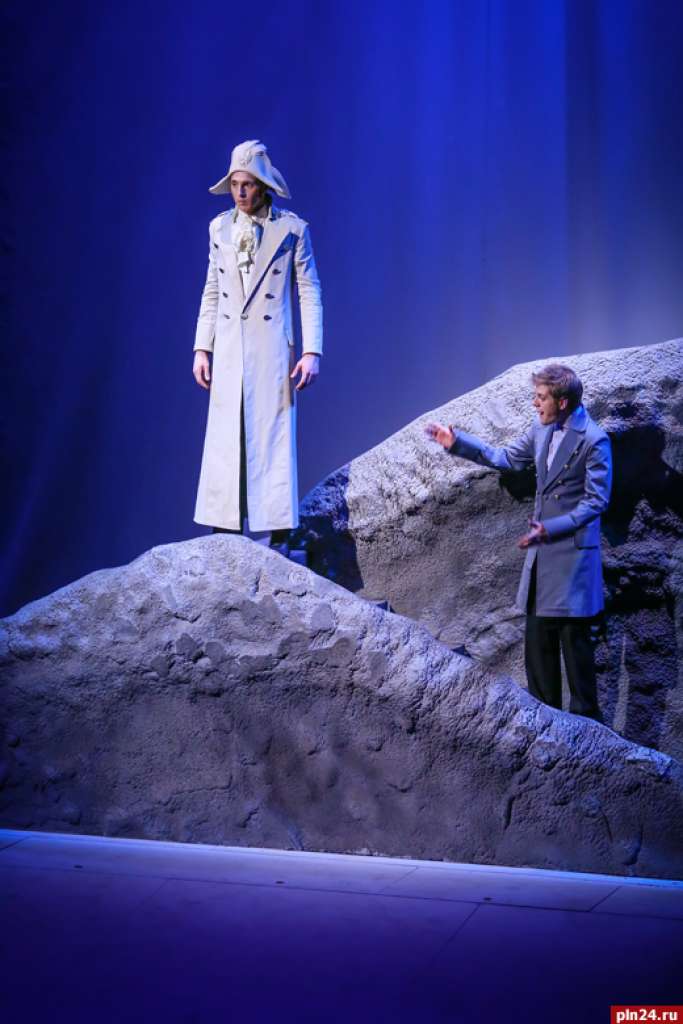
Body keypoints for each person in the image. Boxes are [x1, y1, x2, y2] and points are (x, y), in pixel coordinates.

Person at [425, 364, 612, 721]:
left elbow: (596, 502)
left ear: (563, 402)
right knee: (539, 663)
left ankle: (591, 746)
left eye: (541, 397)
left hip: (572, 566)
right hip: (541, 563)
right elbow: (506, 457)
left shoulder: (593, 439)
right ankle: (546, 734)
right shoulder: (541, 430)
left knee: (578, 669)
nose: (534, 403)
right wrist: (458, 443)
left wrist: (551, 528)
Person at [192, 139, 322, 541]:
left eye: (247, 184)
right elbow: (212, 290)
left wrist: (311, 351)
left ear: (263, 186)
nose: (241, 193)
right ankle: (224, 535)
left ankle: (278, 537)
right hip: (230, 347)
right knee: (227, 438)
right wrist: (202, 347)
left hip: (271, 350)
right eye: (235, 184)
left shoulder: (292, 229)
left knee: (272, 436)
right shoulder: (219, 228)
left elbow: (309, 291)